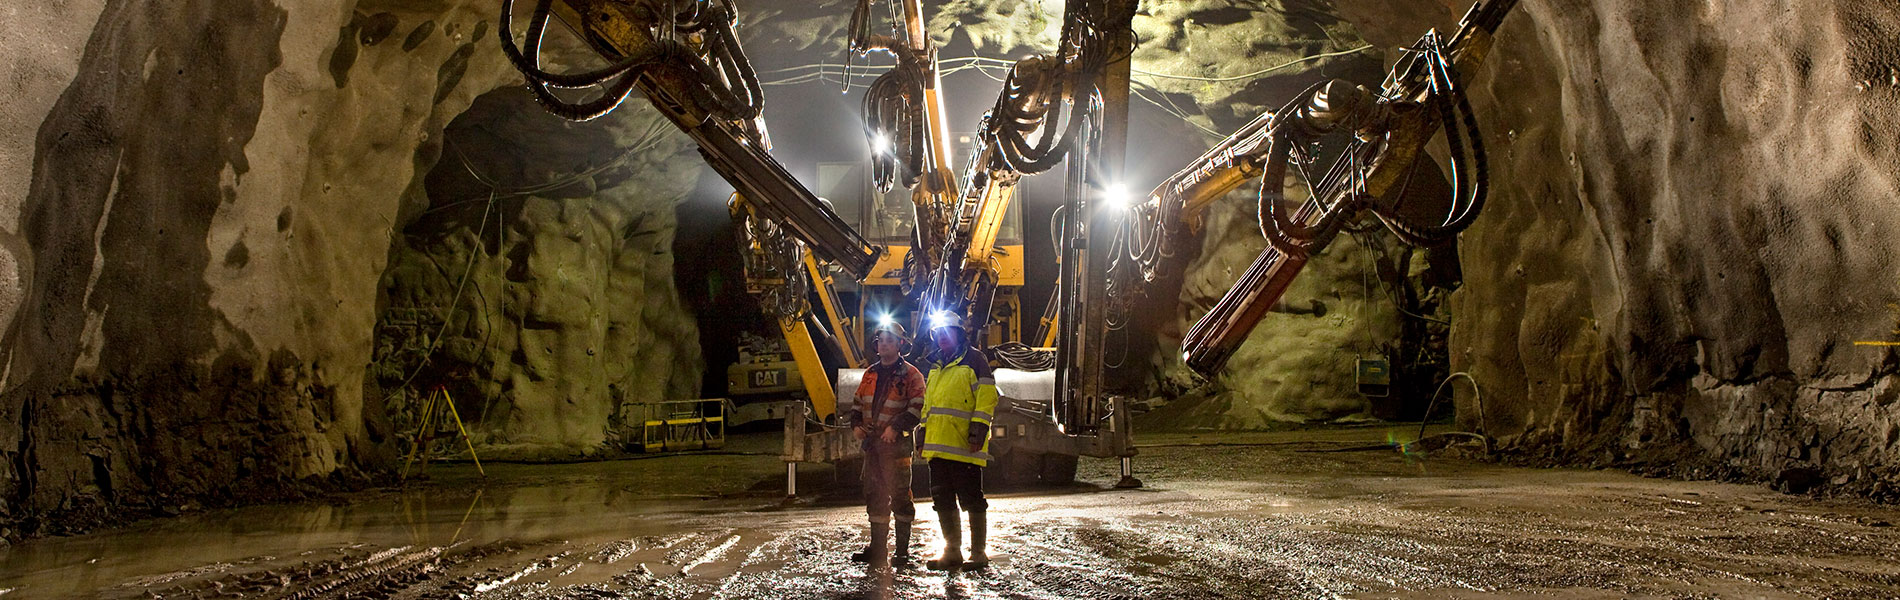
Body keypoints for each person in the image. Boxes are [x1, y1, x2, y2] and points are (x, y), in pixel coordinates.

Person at [918, 311, 998, 571]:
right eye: (938, 333)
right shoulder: (936, 365)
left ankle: (978, 553)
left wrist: (978, 430)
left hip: (965, 446)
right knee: (942, 499)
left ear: (959, 334)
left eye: (947, 332)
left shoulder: (975, 360)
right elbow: (929, 406)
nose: (942, 337)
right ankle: (952, 552)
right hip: (938, 447)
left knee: (972, 499)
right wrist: (922, 434)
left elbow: (987, 397)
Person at [847, 320, 927, 568]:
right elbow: (857, 404)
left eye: (889, 340)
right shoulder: (870, 373)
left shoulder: (912, 374)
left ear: (901, 344)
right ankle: (878, 550)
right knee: (875, 495)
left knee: (901, 496)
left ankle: (902, 552)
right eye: (881, 340)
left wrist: (896, 427)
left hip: (897, 446)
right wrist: (856, 426)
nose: (884, 344)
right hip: (873, 445)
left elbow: (917, 407)